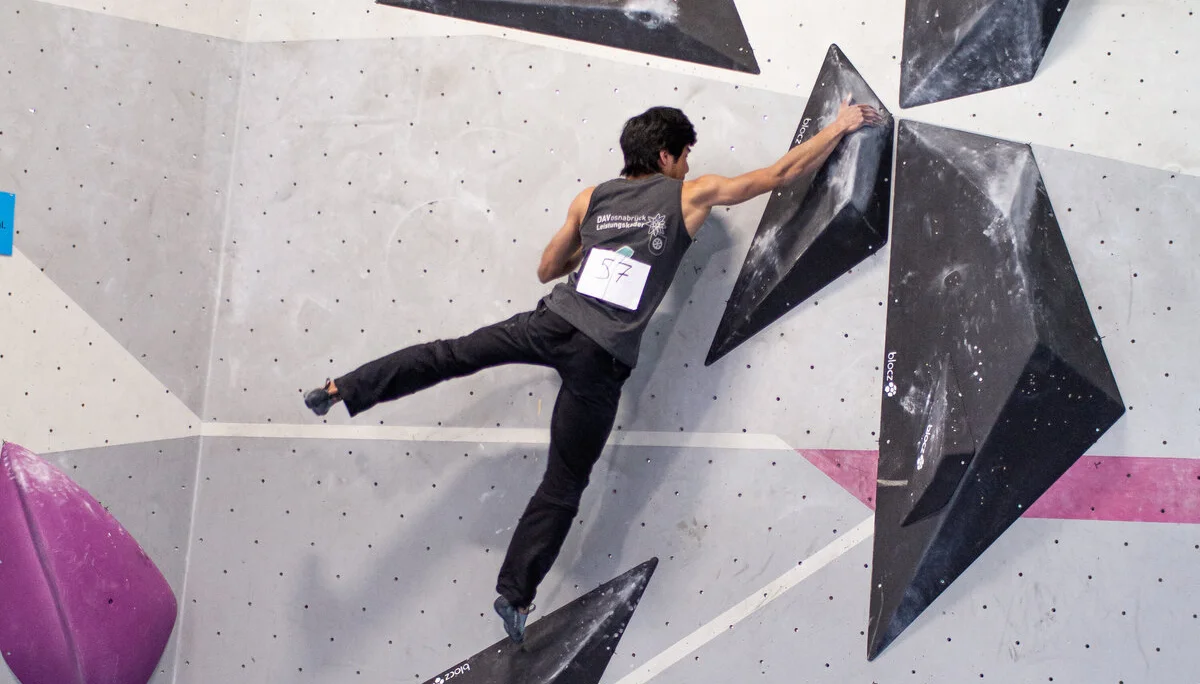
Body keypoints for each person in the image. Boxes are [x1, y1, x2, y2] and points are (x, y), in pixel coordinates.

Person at [303, 96, 884, 643]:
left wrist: (599, 244)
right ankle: (515, 596)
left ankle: (341, 388)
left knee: (447, 354)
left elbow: (546, 268)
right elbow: (780, 175)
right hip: (600, 359)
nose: (688, 166)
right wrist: (840, 126)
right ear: (666, 156)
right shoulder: (691, 195)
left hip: (551, 323)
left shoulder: (591, 199)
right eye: (685, 155)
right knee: (564, 482)